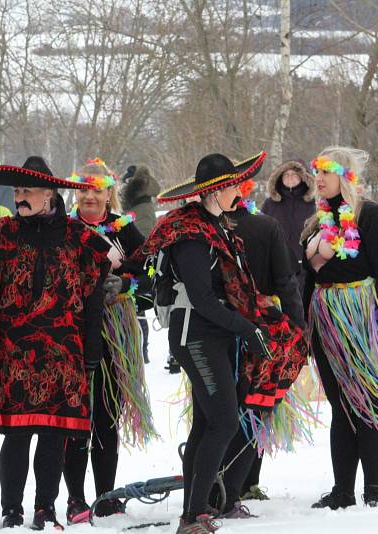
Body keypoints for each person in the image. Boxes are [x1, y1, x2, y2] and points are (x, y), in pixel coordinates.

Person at [136, 151, 308, 534]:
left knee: (207, 424)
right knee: (225, 421)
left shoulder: (216, 226)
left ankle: (195, 510)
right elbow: (202, 298)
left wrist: (256, 321)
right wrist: (247, 328)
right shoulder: (193, 235)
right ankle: (194, 515)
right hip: (196, 336)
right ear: (214, 191)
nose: (238, 191)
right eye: (231, 185)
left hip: (215, 335)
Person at [0, 156, 110, 530]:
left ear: (50, 194)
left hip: (64, 352)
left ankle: (45, 507)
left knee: (53, 434)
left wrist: (92, 350)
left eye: (27, 190)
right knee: (16, 433)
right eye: (16, 191)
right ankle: (11, 508)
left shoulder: (81, 240)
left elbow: (94, 300)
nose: (20, 197)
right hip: (13, 351)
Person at [302, 146, 378, 510]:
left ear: (346, 176)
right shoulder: (317, 221)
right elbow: (306, 276)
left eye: (326, 173)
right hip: (326, 318)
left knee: (371, 403)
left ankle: (374, 491)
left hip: (362, 315)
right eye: (316, 172)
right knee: (341, 405)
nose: (317, 179)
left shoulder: (371, 216)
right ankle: (342, 491)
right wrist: (304, 324)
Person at [63, 158, 155, 524]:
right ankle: (74, 499)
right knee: (76, 417)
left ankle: (106, 496)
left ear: (108, 194)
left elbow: (148, 269)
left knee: (106, 413)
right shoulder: (65, 230)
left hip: (116, 330)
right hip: (73, 330)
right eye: (84, 190)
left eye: (97, 190)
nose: (90, 197)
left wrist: (126, 282)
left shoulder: (124, 230)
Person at [226, 180, 306, 502]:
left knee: (221, 407)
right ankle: (246, 481)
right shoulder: (266, 226)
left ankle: (218, 477)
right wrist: (298, 327)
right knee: (257, 402)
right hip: (263, 328)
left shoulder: (206, 228)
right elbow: (286, 280)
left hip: (217, 328)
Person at [120, 164, 161, 364]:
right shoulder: (140, 204)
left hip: (142, 266)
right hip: (138, 264)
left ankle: (141, 350)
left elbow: (145, 241)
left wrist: (131, 261)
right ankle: (140, 349)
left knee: (138, 308)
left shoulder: (141, 208)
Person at [261, 160, 316, 294]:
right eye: (286, 175)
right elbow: (262, 232)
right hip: (278, 266)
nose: (290, 177)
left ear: (303, 178)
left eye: (294, 174)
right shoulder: (270, 204)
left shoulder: (313, 203)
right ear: (279, 178)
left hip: (306, 266)